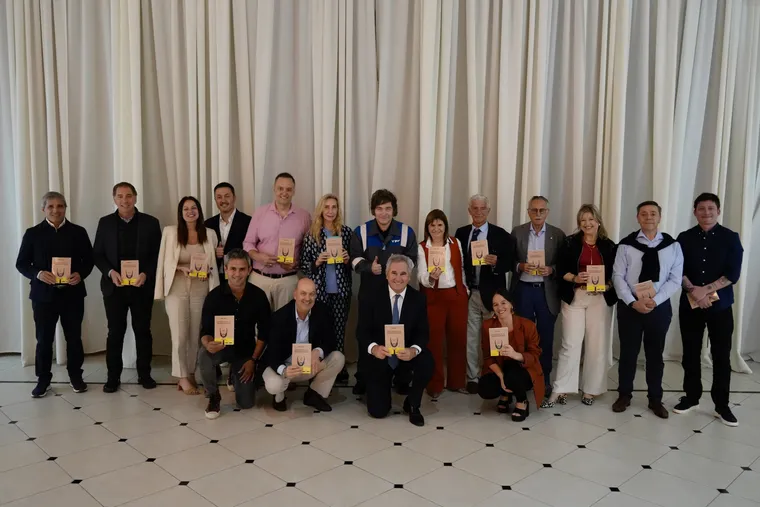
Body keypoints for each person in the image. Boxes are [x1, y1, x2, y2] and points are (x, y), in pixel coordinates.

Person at [16, 191, 94, 398]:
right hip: (43, 297)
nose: (55, 210)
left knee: (74, 338)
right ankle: (43, 380)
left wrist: (80, 274)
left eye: (60, 206)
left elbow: (89, 260)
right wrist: (38, 274)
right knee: (44, 340)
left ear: (65, 208)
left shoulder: (78, 232)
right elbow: (21, 263)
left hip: (72, 295)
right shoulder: (32, 233)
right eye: (51, 206)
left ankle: (76, 376)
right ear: (43, 209)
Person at [675, 193, 743, 426]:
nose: (706, 213)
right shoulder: (684, 238)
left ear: (718, 211)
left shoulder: (731, 238)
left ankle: (721, 405)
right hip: (690, 304)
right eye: (701, 209)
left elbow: (733, 274)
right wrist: (694, 291)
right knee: (690, 353)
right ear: (694, 212)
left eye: (711, 208)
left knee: (721, 356)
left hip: (720, 306)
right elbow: (677, 269)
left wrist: (706, 291)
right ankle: (691, 397)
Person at [612, 201, 683, 418]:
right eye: (644, 214)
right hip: (630, 307)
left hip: (658, 308)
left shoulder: (673, 246)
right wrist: (632, 301)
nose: (648, 217)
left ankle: (655, 399)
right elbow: (617, 276)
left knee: (655, 355)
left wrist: (655, 300)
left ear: (659, 217)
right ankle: (624, 394)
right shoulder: (626, 245)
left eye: (653, 213)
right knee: (628, 353)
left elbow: (675, 279)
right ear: (638, 218)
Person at [542, 204, 617, 408]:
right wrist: (575, 278)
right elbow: (560, 271)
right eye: (583, 220)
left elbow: (615, 275)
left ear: (598, 221)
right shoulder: (569, 243)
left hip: (600, 299)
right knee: (570, 344)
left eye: (591, 219)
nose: (587, 223)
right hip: (575, 296)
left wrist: (606, 286)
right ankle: (561, 389)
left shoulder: (609, 246)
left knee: (596, 345)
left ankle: (591, 389)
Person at [93, 182, 161, 393]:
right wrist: (110, 272)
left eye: (129, 195)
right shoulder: (105, 223)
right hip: (114, 287)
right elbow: (97, 254)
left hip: (141, 286)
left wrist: (146, 273)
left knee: (143, 331)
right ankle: (113, 377)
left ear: (136, 197)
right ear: (114, 199)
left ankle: (144, 374)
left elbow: (157, 254)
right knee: (115, 332)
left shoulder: (151, 223)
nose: (125, 200)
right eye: (120, 196)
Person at [350, 189, 418, 395]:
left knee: (401, 333)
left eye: (388, 208)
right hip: (369, 293)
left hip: (397, 294)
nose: (384, 213)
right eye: (379, 209)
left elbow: (412, 259)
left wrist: (397, 273)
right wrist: (368, 267)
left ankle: (402, 378)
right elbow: (353, 258)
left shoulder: (406, 232)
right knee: (366, 334)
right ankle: (363, 378)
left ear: (394, 210)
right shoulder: (361, 231)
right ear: (373, 211)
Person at [358, 254, 433, 426]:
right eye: (394, 273)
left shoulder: (418, 299)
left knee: (426, 360)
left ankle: (413, 404)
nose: (398, 278)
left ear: (409, 276)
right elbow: (362, 331)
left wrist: (413, 350)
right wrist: (374, 348)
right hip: (380, 357)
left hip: (405, 356)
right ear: (386, 274)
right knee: (378, 411)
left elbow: (423, 333)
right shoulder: (371, 296)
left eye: (403, 274)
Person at [155, 197, 220, 395]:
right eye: (186, 208)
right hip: (177, 287)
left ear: (199, 211)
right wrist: (180, 268)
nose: (190, 211)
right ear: (180, 212)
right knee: (179, 334)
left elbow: (212, 263)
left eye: (193, 208)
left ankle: (190, 372)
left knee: (195, 334)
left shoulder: (209, 233)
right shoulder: (170, 232)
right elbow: (163, 261)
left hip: (200, 287)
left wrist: (208, 269)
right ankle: (181, 376)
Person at [198, 249, 271, 419]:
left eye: (242, 269)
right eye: (233, 269)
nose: (237, 274)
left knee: (246, 403)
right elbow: (205, 331)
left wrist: (253, 360)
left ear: (249, 270)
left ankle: (234, 374)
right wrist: (208, 343)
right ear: (225, 269)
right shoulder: (213, 297)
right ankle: (213, 396)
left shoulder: (258, 296)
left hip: (246, 352)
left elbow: (264, 332)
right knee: (204, 355)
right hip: (221, 348)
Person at [455, 194, 515, 394]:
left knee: (495, 337)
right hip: (470, 293)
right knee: (471, 338)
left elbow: (510, 263)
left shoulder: (501, 234)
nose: (478, 212)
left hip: (493, 296)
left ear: (488, 211)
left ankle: (494, 375)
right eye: (475, 208)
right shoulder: (461, 233)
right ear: (469, 210)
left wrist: (497, 262)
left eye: (482, 208)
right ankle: (472, 377)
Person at [511, 195, 566, 398]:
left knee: (545, 337)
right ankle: (524, 377)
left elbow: (564, 264)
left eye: (542, 210)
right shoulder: (517, 232)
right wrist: (520, 266)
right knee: (523, 337)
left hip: (546, 292)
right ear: (528, 212)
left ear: (547, 212)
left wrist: (551, 270)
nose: (538, 214)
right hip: (523, 290)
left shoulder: (557, 234)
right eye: (534, 210)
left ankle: (544, 378)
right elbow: (509, 260)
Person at [263, 278, 346, 412]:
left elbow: (331, 340)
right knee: (274, 385)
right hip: (285, 364)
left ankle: (314, 394)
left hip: (309, 363)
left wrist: (318, 351)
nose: (307, 298)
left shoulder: (323, 311)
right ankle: (279, 397)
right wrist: (284, 370)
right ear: (295, 294)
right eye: (303, 293)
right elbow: (271, 353)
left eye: (311, 294)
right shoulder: (280, 317)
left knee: (338, 358)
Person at [299, 194, 353, 384]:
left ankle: (340, 367)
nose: (330, 211)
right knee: (319, 330)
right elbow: (303, 265)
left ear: (338, 210)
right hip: (318, 292)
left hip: (341, 291)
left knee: (339, 330)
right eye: (327, 207)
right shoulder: (312, 235)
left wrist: (347, 260)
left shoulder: (346, 233)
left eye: (334, 207)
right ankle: (317, 366)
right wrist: (317, 262)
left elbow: (354, 263)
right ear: (321, 210)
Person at [417, 209, 469, 398]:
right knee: (434, 342)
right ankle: (435, 385)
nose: (436, 228)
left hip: (456, 296)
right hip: (434, 297)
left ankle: (457, 382)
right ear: (427, 227)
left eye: (440, 224)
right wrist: (431, 278)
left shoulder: (455, 243)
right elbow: (420, 276)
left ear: (445, 226)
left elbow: (460, 268)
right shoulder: (422, 247)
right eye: (432, 225)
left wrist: (464, 290)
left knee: (458, 340)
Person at [243, 172, 311, 310]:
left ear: (294, 191)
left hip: (288, 280)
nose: (284, 193)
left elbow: (309, 249)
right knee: (258, 320)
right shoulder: (260, 213)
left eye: (288, 189)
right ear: (274, 189)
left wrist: (296, 263)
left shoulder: (304, 216)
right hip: (260, 279)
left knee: (285, 321)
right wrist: (258, 256)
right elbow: (248, 243)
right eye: (280, 188)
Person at [478, 289, 544, 421]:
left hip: (522, 367)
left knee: (513, 375)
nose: (500, 308)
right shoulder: (487, 325)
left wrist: (516, 355)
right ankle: (505, 393)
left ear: (511, 304)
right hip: (501, 366)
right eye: (495, 305)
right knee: (485, 388)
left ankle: (522, 400)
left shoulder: (527, 325)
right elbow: (488, 357)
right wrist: (500, 376)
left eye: (503, 303)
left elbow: (535, 356)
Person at [205, 182, 252, 288]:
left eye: (227, 196)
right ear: (215, 200)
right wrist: (214, 252)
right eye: (219, 197)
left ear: (234, 198)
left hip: (240, 277)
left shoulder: (248, 222)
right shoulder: (208, 224)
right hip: (215, 277)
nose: (223, 200)